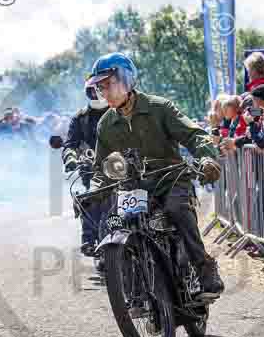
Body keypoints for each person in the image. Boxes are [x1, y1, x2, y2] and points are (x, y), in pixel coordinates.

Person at [86, 52, 225, 298]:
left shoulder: (159, 108)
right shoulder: (105, 124)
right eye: (100, 87)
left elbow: (195, 135)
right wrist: (93, 190)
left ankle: (205, 269)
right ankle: (133, 286)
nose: (104, 92)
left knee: (176, 210)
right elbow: (102, 167)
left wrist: (205, 158)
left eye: (108, 84)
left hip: (171, 181)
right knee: (114, 221)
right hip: (133, 188)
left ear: (126, 80)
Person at [63, 80, 110, 256]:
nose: (96, 94)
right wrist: (70, 159)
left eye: (99, 90)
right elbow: (70, 144)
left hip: (122, 166)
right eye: (92, 91)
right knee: (89, 197)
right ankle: (89, 239)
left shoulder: (119, 110)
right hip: (91, 168)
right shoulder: (80, 117)